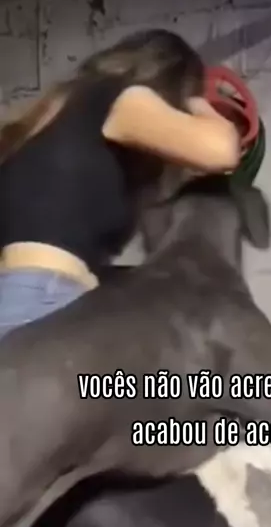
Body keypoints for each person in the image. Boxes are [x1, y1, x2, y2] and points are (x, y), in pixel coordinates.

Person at [0, 28, 240, 338]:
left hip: (18, 293)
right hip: (47, 296)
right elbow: (220, 150)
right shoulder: (121, 97)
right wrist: (198, 101)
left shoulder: (52, 112)